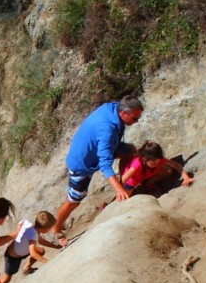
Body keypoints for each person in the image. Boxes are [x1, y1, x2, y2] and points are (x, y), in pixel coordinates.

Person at [49, 96, 144, 245]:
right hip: (82, 164)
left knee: (130, 150)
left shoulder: (112, 108)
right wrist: (119, 190)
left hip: (97, 149)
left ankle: (124, 181)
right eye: (134, 118)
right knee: (74, 200)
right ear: (123, 114)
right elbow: (104, 165)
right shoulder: (107, 130)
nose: (136, 121)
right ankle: (55, 228)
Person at [0, 210, 60, 283]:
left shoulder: (33, 229)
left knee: (41, 251)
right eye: (50, 229)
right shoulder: (33, 234)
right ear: (45, 230)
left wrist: (57, 247)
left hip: (20, 251)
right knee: (7, 279)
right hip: (12, 258)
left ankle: (26, 268)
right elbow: (33, 253)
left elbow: (41, 241)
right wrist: (47, 262)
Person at [121, 140, 193, 197]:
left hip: (145, 174)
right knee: (124, 197)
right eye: (154, 163)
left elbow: (176, 165)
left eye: (158, 162)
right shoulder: (136, 165)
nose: (157, 164)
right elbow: (123, 179)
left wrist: (185, 177)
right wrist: (120, 190)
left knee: (168, 170)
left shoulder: (156, 160)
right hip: (131, 181)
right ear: (145, 159)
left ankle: (148, 183)